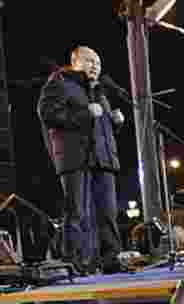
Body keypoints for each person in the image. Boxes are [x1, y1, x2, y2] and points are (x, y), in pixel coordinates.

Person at [38, 46, 125, 275]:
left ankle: (111, 259)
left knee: (108, 213)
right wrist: (86, 113)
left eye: (98, 62)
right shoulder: (60, 82)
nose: (95, 66)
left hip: (102, 159)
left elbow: (99, 128)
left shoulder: (99, 92)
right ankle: (73, 262)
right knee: (77, 212)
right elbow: (47, 114)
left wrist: (115, 123)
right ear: (75, 62)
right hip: (75, 158)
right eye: (89, 61)